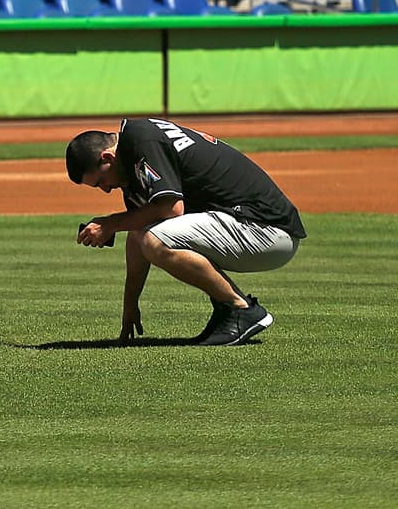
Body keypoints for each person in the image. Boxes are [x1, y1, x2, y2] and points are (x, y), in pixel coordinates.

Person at [65, 118, 306, 346]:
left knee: (156, 241)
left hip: (266, 229)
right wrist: (130, 305)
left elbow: (172, 209)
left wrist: (109, 224)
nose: (106, 190)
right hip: (251, 226)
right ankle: (227, 309)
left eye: (100, 181)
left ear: (107, 157)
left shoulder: (142, 140)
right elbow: (137, 232)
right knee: (147, 235)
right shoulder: (133, 155)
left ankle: (241, 309)